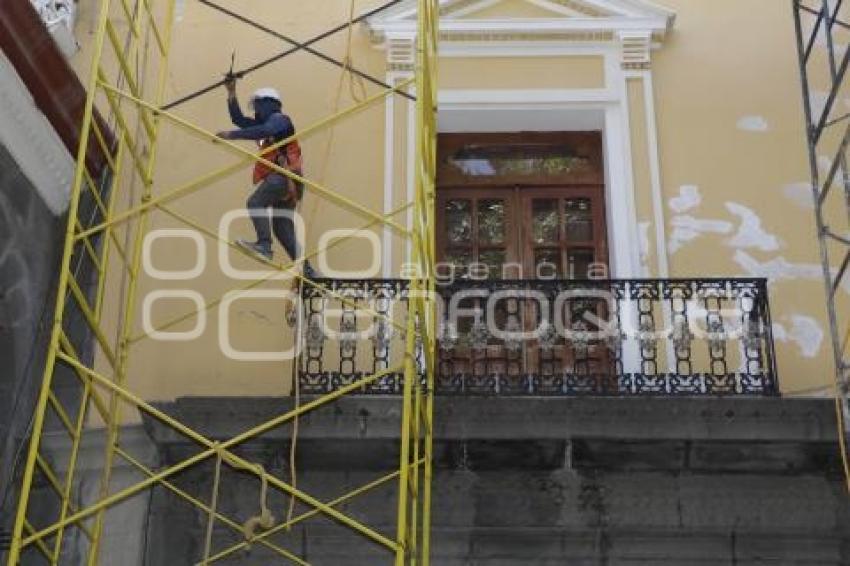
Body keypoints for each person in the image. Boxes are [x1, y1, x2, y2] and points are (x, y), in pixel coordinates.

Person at [217, 78, 317, 279]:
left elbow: (264, 131)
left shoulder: (280, 120)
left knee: (255, 202)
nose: (255, 111)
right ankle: (307, 271)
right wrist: (231, 92)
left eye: (257, 106)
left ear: (267, 104)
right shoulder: (269, 123)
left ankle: (264, 245)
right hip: (291, 181)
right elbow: (240, 120)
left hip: (283, 176)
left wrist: (231, 135)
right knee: (281, 228)